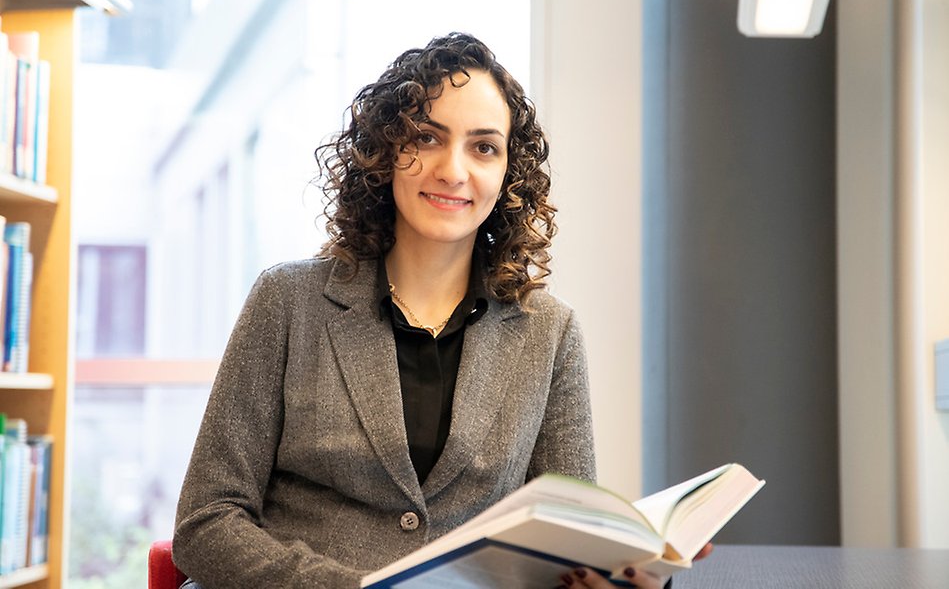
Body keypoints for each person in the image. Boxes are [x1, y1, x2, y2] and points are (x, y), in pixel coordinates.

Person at [172, 32, 706, 589]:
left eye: (483, 147)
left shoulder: (550, 331)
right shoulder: (287, 300)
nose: (453, 171)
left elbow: (566, 539)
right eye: (427, 138)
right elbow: (206, 522)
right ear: (383, 154)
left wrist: (630, 573)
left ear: (507, 175)